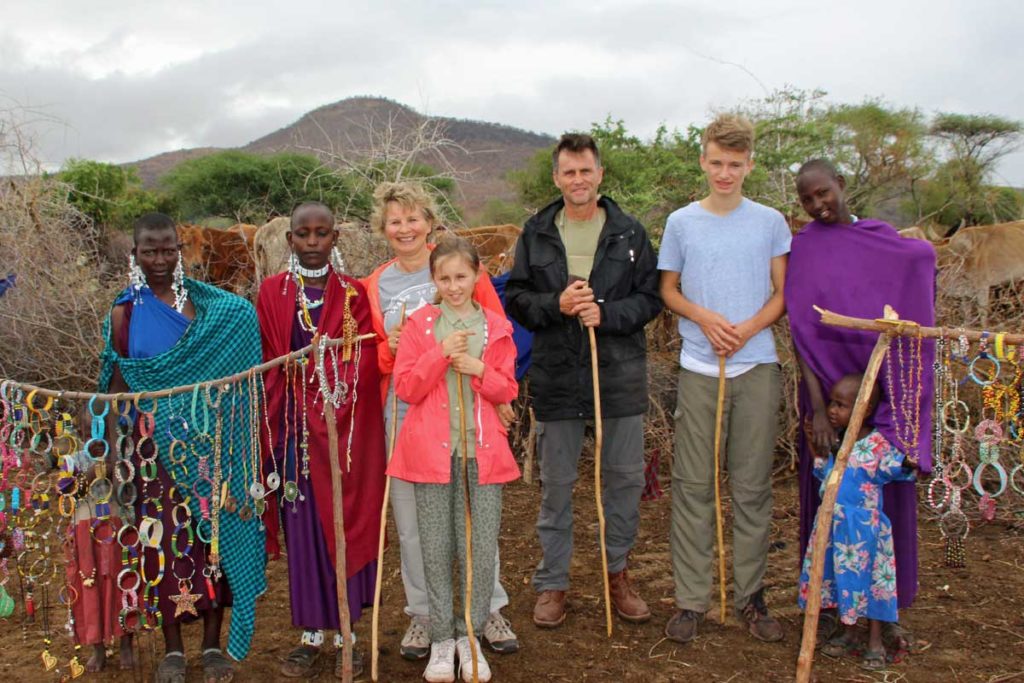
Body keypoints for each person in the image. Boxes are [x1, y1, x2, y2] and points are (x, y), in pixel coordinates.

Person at [99, 212, 267, 683]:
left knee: (211, 542)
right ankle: (173, 648)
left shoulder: (212, 308)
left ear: (180, 249)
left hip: (209, 447)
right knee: (162, 545)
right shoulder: (124, 313)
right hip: (152, 452)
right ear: (135, 254)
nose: (159, 258)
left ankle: (212, 646)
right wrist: (116, 454)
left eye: (167, 249)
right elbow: (118, 387)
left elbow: (241, 341)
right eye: (148, 250)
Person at [505, 133, 662, 629]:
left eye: (586, 171)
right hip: (556, 377)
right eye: (568, 172)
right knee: (556, 486)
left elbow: (651, 299)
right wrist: (558, 306)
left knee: (623, 482)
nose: (578, 180)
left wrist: (606, 313)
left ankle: (618, 574)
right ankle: (553, 582)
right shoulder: (536, 232)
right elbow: (518, 300)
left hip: (618, 375)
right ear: (556, 177)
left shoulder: (629, 233)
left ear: (600, 175)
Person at [361, 182, 519, 658]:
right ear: (383, 229)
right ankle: (425, 616)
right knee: (415, 523)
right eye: (395, 221)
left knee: (476, 515)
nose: (404, 228)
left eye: (413, 218)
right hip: (408, 409)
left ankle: (486, 608)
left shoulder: (459, 266)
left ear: (428, 222)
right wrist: (390, 351)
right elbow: (380, 357)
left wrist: (499, 397)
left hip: (466, 406)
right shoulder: (376, 283)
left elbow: (493, 334)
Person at [785, 159, 935, 652]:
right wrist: (814, 411)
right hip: (831, 401)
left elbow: (917, 260)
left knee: (883, 508)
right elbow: (802, 332)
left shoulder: (879, 237)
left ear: (843, 186)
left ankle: (883, 615)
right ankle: (830, 611)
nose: (817, 205)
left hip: (884, 396)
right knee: (828, 505)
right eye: (807, 200)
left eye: (824, 193)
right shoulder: (804, 247)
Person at [658, 114, 789, 644]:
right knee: (693, 485)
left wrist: (747, 328)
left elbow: (783, 293)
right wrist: (705, 319)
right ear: (703, 160)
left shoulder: (770, 221)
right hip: (698, 365)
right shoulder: (682, 222)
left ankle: (751, 597)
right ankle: (691, 600)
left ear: (750, 164)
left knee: (753, 484)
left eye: (735, 165)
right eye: (717, 163)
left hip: (756, 364)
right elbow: (668, 289)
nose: (725, 173)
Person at [256, 201, 387, 679]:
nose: (312, 243)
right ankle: (312, 632)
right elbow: (270, 359)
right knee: (305, 526)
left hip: (343, 430)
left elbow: (367, 358)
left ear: (336, 239)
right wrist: (302, 388)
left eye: (322, 234)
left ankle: (348, 629)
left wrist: (328, 388)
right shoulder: (271, 293)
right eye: (303, 234)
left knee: (344, 519)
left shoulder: (354, 294)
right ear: (289, 239)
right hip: (293, 430)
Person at [797, 374, 918, 671]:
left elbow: (897, 468)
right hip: (834, 527)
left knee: (872, 583)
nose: (832, 410)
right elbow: (824, 475)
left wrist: (912, 460)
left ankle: (874, 639)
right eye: (831, 403)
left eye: (841, 405)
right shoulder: (835, 441)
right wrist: (816, 449)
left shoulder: (877, 443)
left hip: (865, 531)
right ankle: (848, 631)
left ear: (864, 408)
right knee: (841, 580)